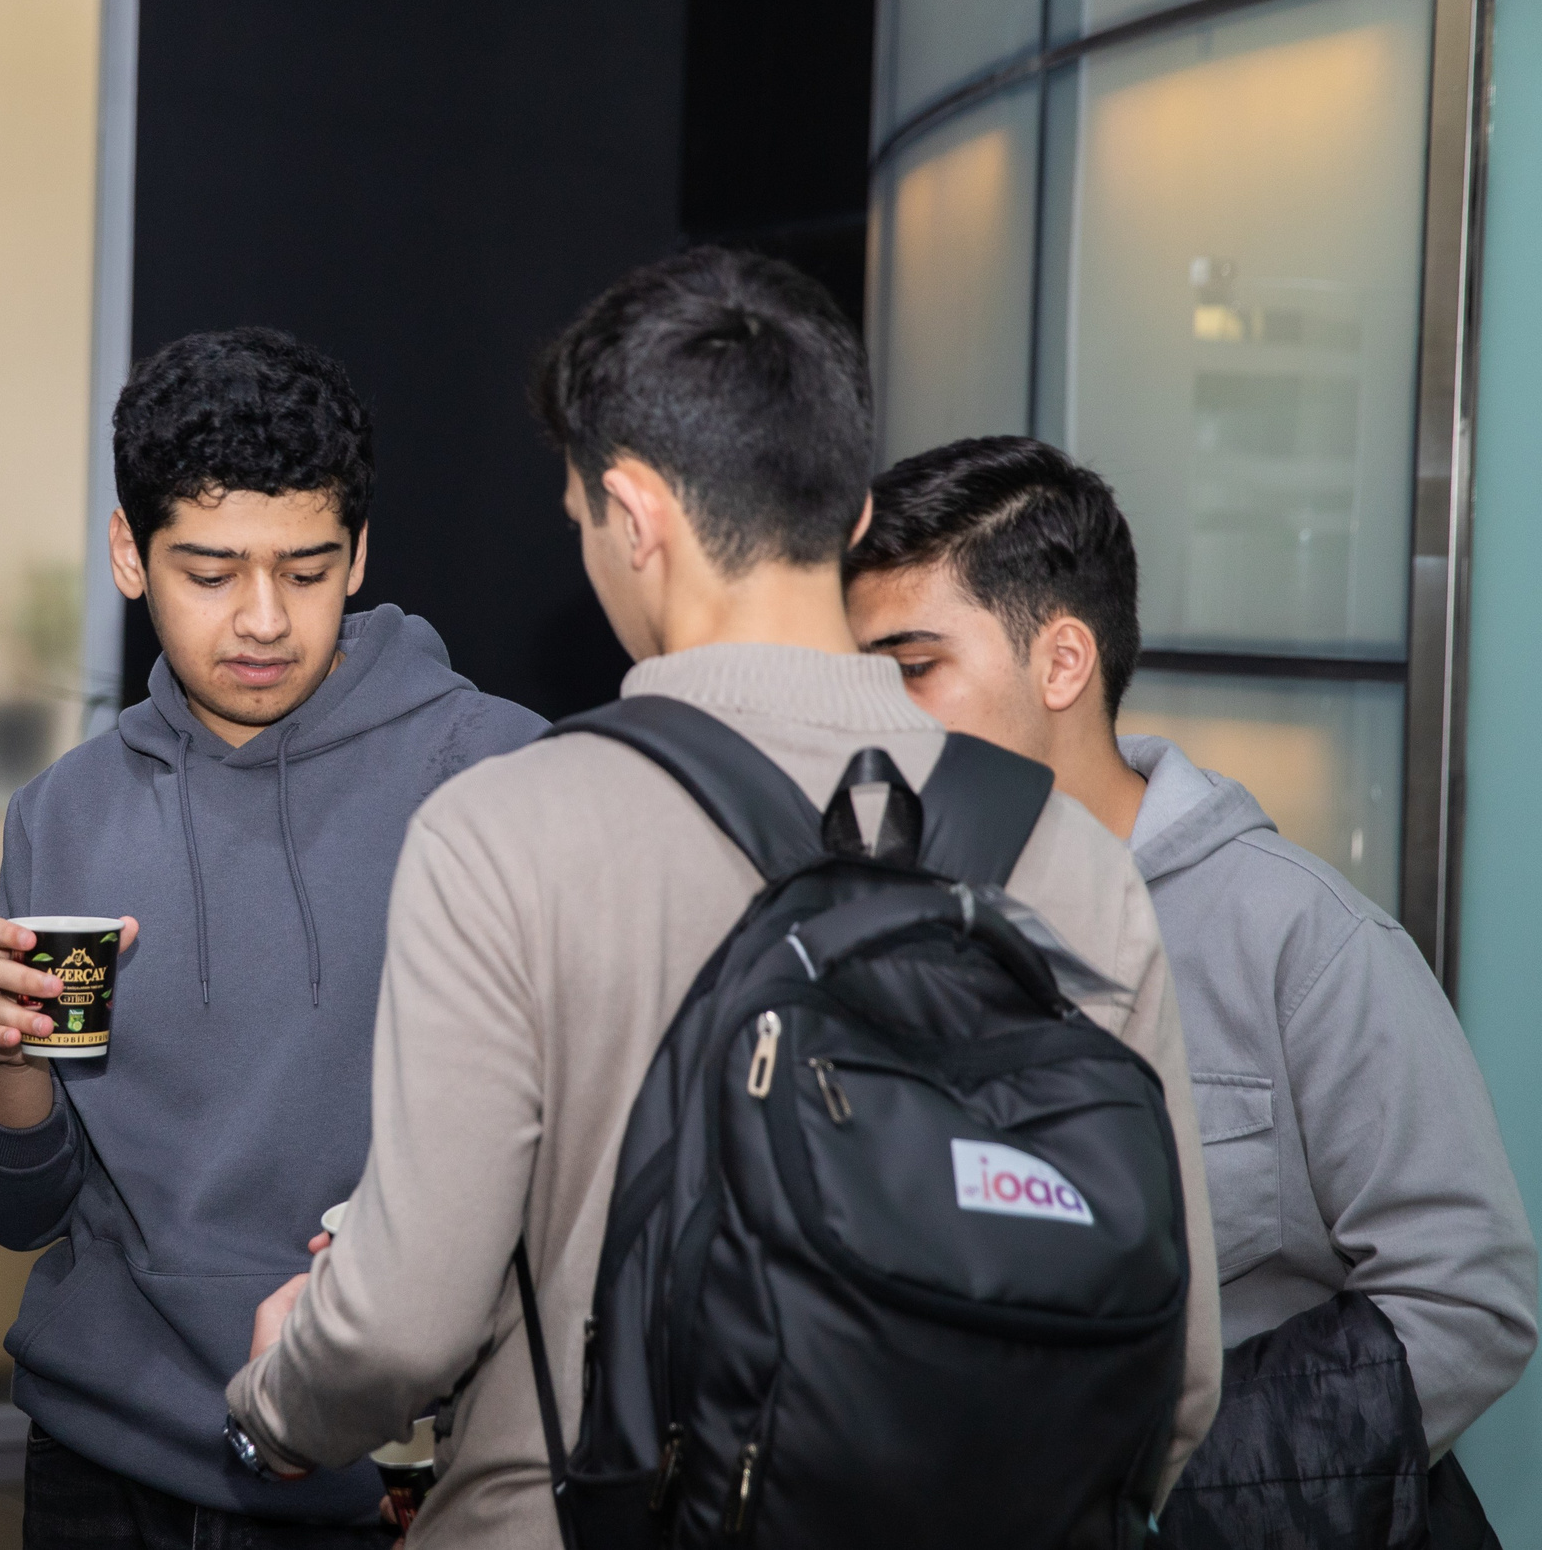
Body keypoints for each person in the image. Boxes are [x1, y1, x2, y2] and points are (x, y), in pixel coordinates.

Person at [222, 250, 1221, 1544]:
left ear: (634, 512)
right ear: (854, 517)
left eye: (581, 515)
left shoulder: (505, 831)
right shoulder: (1068, 850)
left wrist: (274, 1404)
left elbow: (398, 1326)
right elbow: (1176, 1371)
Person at [842, 436, 1537, 1508]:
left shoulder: (1298, 938)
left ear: (1062, 663)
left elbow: (1469, 1296)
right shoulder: (872, 929)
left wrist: (1167, 1494)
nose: (873, 716)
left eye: (913, 667)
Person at [0, 327, 546, 1547]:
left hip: (372, 1459)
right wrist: (5, 1057)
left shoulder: (493, 772)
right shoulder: (65, 813)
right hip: (97, 1454)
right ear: (130, 554)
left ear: (358, 555)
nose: (263, 620)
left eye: (306, 571)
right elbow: (19, 1210)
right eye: (211, 573)